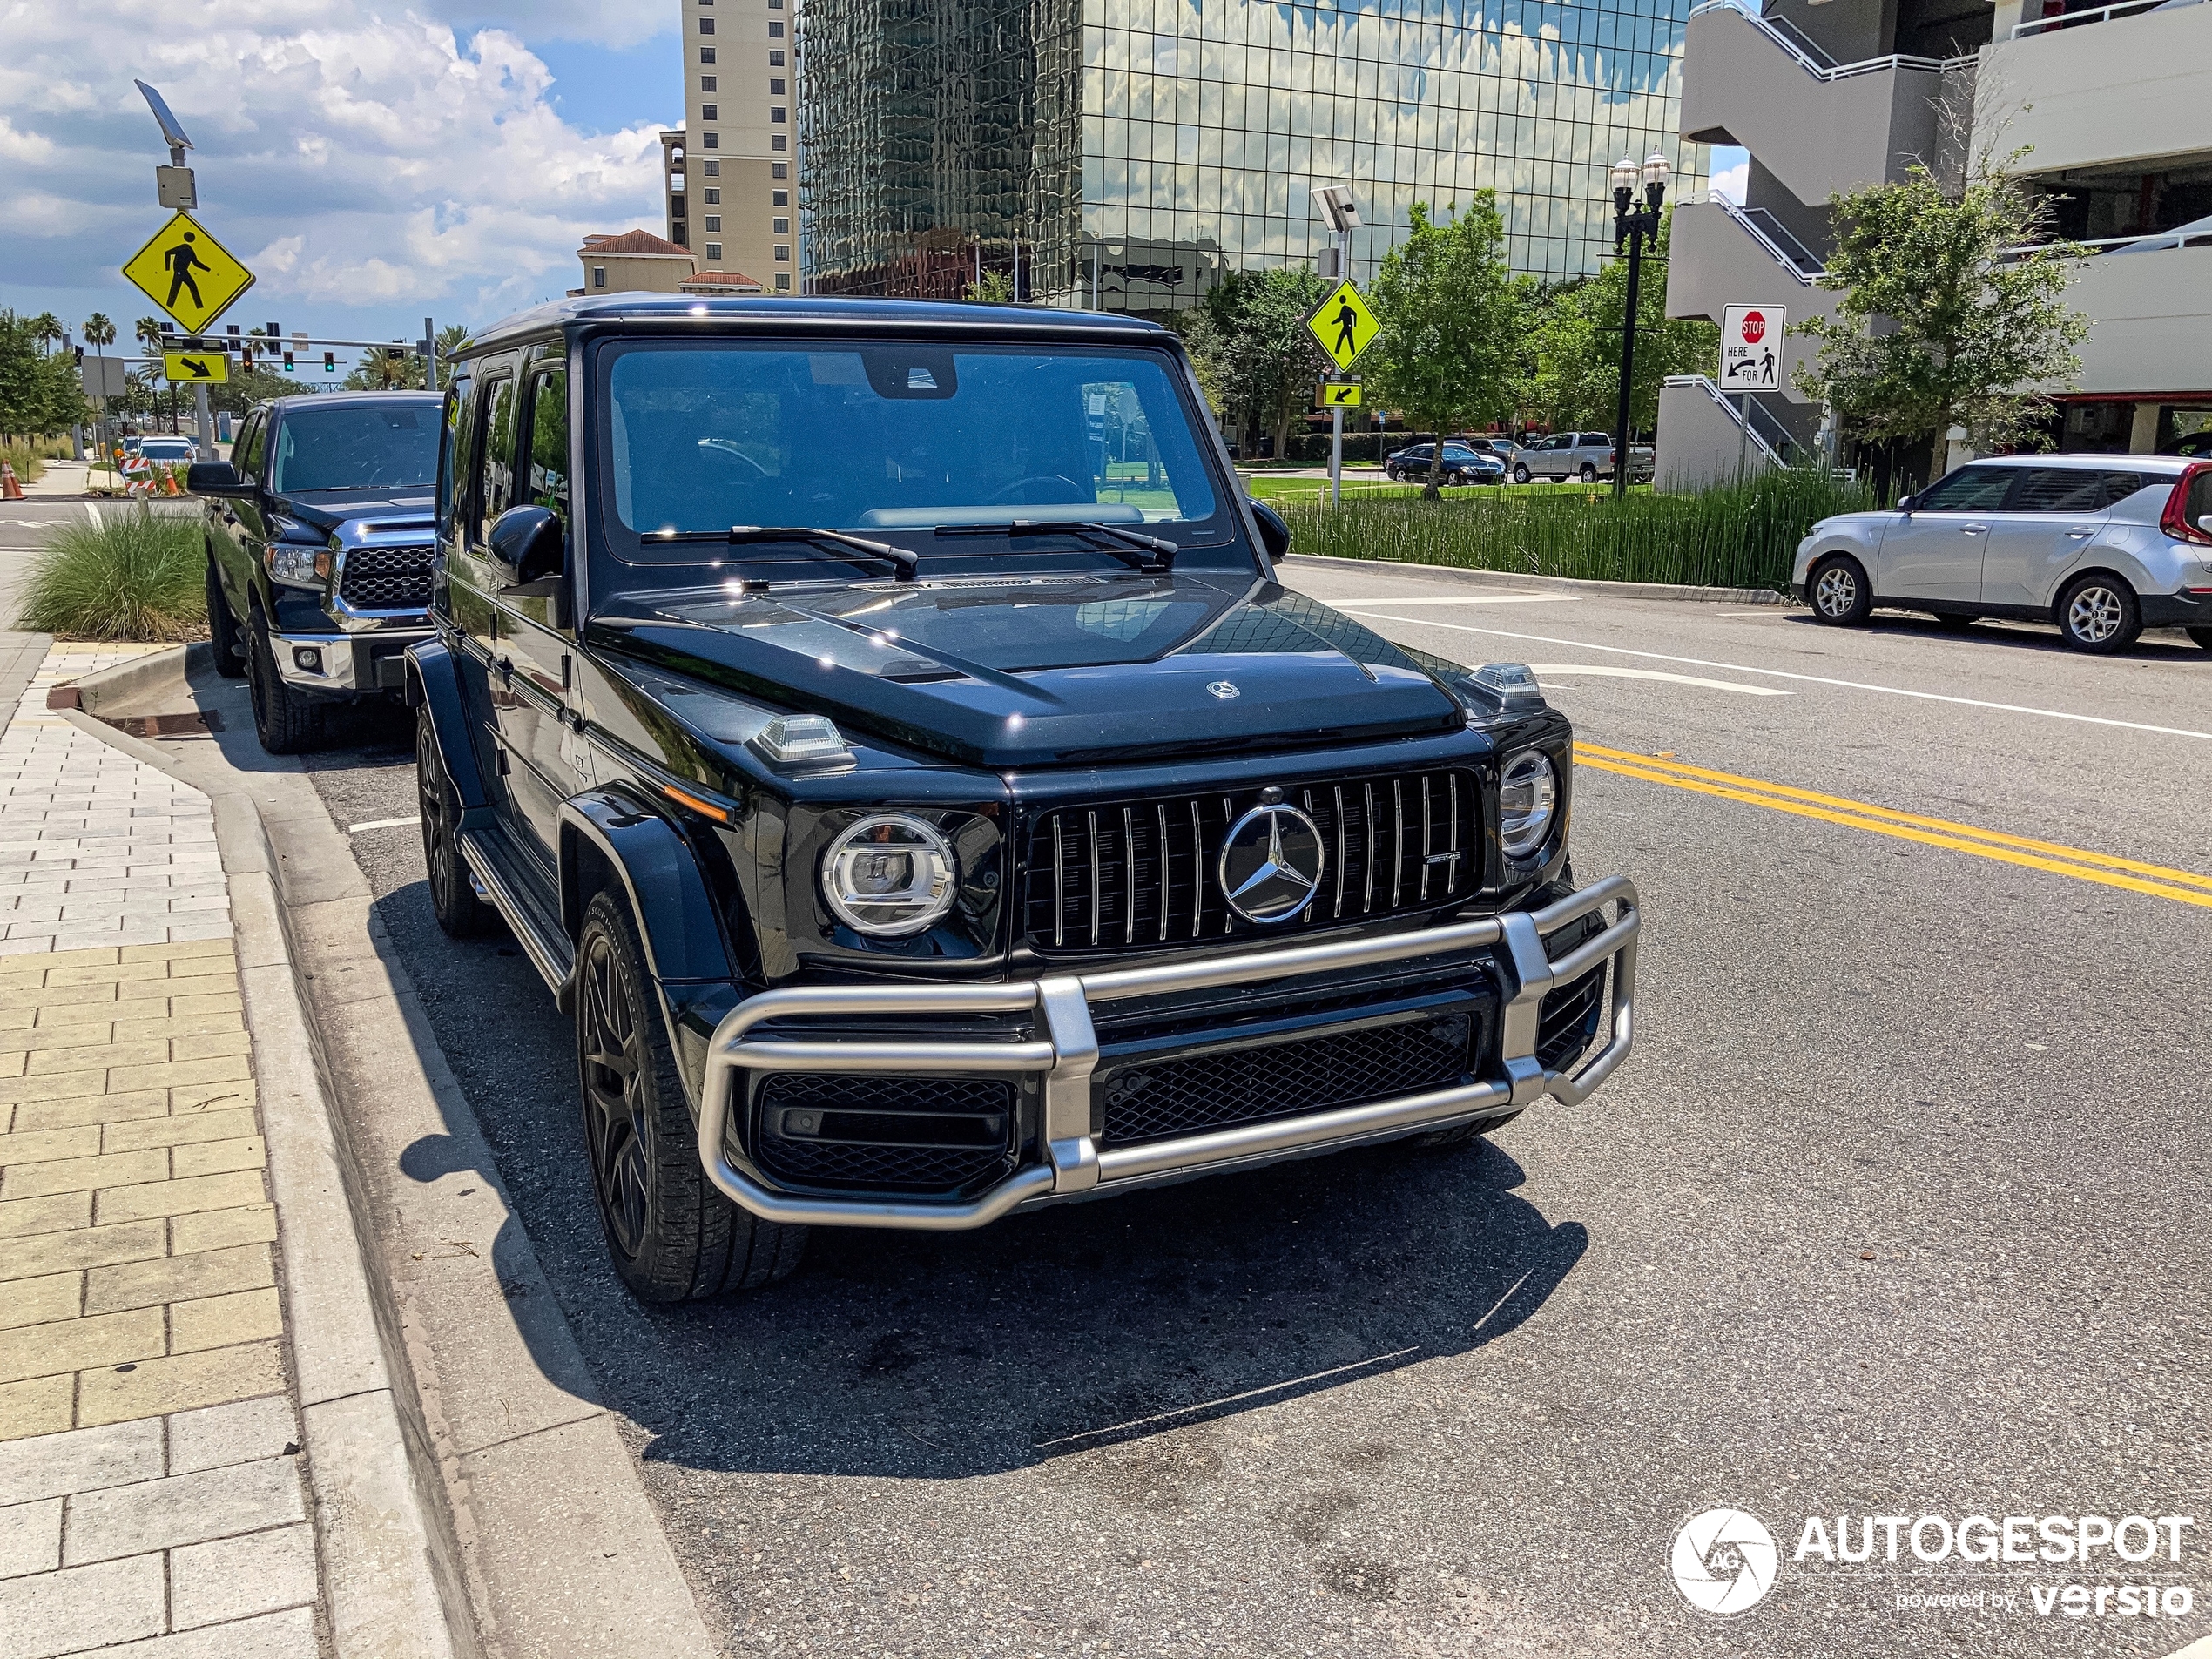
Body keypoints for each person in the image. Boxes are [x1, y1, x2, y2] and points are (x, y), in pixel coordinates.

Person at [164, 233, 210, 311]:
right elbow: (167, 253)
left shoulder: (189, 250)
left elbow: (195, 263)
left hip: (184, 272)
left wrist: (208, 269)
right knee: (174, 290)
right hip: (179, 272)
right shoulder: (183, 247)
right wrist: (167, 268)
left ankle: (200, 308)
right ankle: (169, 307)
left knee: (193, 287)